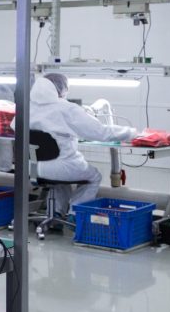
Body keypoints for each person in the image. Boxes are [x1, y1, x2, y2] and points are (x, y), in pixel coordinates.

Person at [29, 73, 137, 213]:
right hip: (62, 167)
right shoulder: (67, 108)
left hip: (32, 168)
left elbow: (14, 128)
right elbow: (100, 132)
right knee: (94, 176)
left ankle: (55, 213)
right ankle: (75, 212)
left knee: (60, 181)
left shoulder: (28, 107)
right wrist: (132, 133)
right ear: (61, 89)